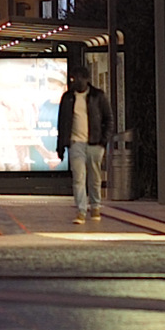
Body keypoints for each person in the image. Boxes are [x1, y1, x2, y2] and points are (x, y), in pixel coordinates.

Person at [56, 69, 113, 225]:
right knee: (78, 178)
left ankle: (95, 206)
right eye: (74, 78)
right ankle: (81, 210)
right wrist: (61, 146)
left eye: (79, 78)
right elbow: (62, 123)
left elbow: (108, 119)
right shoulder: (68, 98)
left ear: (87, 79)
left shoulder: (97, 96)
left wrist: (103, 141)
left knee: (95, 178)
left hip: (94, 143)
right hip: (76, 143)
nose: (76, 82)